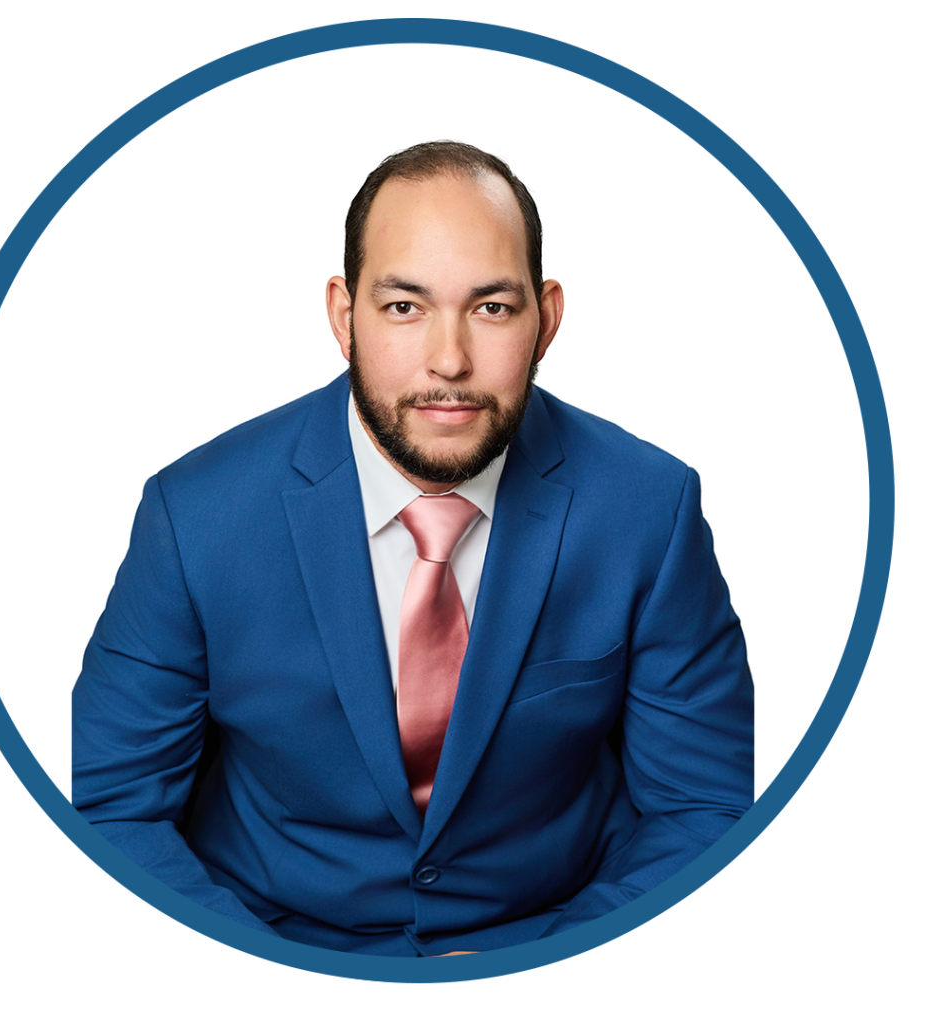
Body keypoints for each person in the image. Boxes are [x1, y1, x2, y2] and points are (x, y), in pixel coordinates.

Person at [72, 141, 754, 957]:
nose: (449, 360)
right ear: (342, 315)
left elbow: (702, 808)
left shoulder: (650, 508)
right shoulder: (195, 515)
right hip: (270, 935)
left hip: (548, 929)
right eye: (404, 307)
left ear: (548, 320)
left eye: (492, 308)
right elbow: (115, 809)